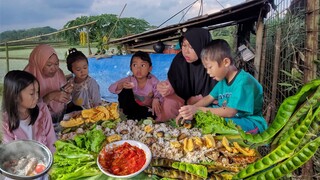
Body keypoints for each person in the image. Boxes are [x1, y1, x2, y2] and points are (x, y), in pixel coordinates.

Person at [176, 39, 268, 134]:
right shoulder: (223, 82)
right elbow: (208, 98)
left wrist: (197, 110)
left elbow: (230, 112)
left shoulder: (243, 81)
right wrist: (189, 109)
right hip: (234, 118)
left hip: (249, 122)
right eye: (206, 68)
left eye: (210, 67)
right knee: (208, 111)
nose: (208, 72)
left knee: (215, 121)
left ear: (226, 62)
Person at [156, 27, 217, 121]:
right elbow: (173, 83)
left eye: (191, 47)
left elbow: (218, 93)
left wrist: (198, 99)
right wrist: (166, 88)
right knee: (169, 102)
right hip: (182, 99)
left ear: (202, 46)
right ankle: (166, 130)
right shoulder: (179, 60)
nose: (185, 51)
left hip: (206, 101)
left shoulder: (213, 62)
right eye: (184, 45)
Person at [1, 70, 57, 153]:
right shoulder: (3, 122)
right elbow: (12, 154)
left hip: (46, 160)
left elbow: (51, 141)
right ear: (15, 96)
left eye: (37, 92)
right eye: (32, 93)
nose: (37, 97)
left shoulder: (42, 110)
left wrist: (52, 161)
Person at [24, 44, 73, 123]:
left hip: (58, 117)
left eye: (56, 64)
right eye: (49, 65)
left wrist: (67, 91)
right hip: (36, 122)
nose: (54, 68)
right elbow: (27, 110)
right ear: (39, 62)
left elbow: (63, 92)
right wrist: (50, 96)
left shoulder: (59, 73)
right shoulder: (25, 79)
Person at [109, 51, 162, 120]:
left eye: (142, 65)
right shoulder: (129, 80)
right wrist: (121, 85)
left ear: (150, 68)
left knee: (155, 112)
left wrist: (156, 99)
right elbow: (111, 88)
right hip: (131, 108)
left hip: (146, 109)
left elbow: (160, 94)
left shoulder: (153, 81)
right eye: (135, 65)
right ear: (131, 67)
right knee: (125, 90)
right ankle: (126, 116)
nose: (138, 69)